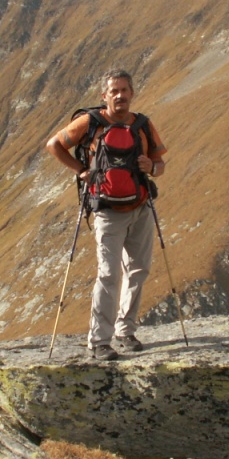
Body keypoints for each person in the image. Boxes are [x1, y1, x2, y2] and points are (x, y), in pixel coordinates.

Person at [46, 69, 167, 360]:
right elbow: (54, 145)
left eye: (124, 90)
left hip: (140, 207)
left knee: (138, 271)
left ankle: (125, 332)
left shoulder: (143, 124)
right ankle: (99, 341)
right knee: (109, 274)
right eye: (114, 91)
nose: (120, 95)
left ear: (132, 93)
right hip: (107, 212)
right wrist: (81, 171)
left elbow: (160, 163)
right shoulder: (90, 122)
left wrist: (151, 167)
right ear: (105, 95)